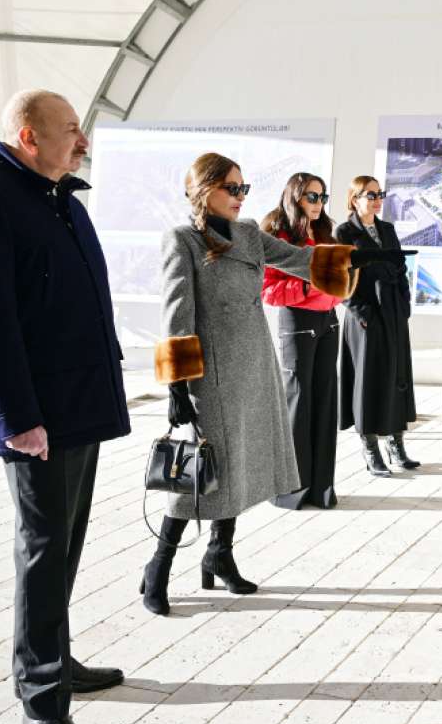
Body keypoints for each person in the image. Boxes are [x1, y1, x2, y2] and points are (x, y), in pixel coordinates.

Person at [0, 89, 130, 724]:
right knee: (44, 549)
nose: (82, 140)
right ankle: (42, 702)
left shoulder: (62, 202)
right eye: (71, 129)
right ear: (29, 136)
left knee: (65, 545)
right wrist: (15, 417)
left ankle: (55, 656)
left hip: (79, 407)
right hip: (36, 417)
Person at [145, 154, 406, 615]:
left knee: (240, 465)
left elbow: (299, 259)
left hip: (255, 364)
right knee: (201, 473)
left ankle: (219, 554)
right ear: (204, 190)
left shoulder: (248, 232)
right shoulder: (182, 239)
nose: (241, 197)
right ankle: (159, 567)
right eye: (231, 188)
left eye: (243, 188)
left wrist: (358, 257)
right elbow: (176, 312)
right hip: (210, 374)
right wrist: (176, 386)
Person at [261, 172, 343, 509]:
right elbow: (267, 289)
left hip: (329, 322)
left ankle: (322, 489)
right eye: (312, 196)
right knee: (298, 402)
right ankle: (291, 491)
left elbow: (337, 277)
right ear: (295, 196)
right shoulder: (277, 233)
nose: (318, 203)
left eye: (322, 197)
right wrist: (308, 286)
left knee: (325, 402)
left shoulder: (324, 232)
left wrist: (339, 288)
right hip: (297, 322)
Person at [336, 176, 421, 476]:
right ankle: (370, 448)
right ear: (354, 199)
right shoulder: (344, 232)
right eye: (369, 195)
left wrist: (405, 303)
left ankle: (396, 444)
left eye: (379, 194)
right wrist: (362, 313)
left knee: (397, 376)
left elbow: (400, 267)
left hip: (394, 312)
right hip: (366, 317)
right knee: (369, 381)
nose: (376, 199)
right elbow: (340, 279)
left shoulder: (388, 229)